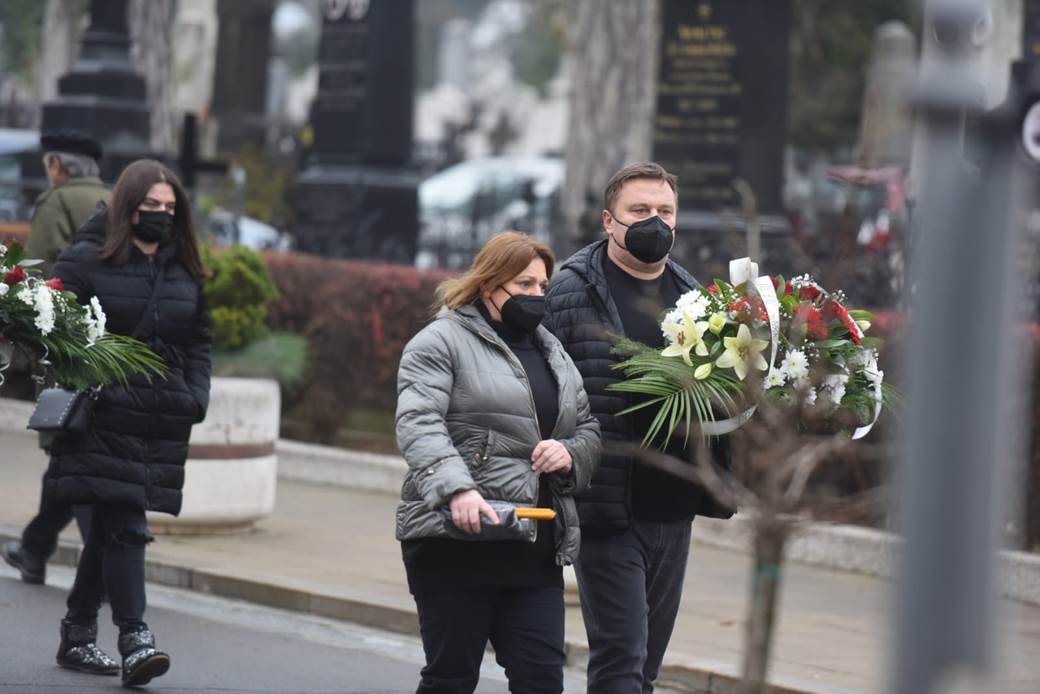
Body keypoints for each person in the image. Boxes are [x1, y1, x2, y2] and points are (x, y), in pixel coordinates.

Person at [543, 162, 734, 693]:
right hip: (604, 505)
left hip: (673, 508)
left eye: (665, 211)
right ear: (609, 220)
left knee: (645, 666)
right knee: (622, 658)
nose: (655, 222)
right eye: (640, 211)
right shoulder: (570, 291)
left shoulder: (702, 302)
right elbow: (538, 387)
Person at [395, 230, 600, 694]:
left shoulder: (554, 353)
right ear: (489, 285)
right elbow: (418, 423)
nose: (536, 295)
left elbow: (587, 430)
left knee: (543, 681)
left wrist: (569, 453)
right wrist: (457, 489)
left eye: (542, 286)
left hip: (533, 545)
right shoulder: (439, 342)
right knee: (451, 679)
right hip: (456, 542)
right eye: (524, 284)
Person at [43, 159, 211, 687]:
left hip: (159, 421)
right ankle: (135, 638)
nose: (160, 216)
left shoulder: (183, 266)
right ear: (127, 207)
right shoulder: (88, 260)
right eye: (149, 207)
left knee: (112, 530)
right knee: (127, 523)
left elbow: (199, 340)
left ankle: (76, 634)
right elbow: (50, 325)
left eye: (169, 208)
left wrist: (196, 395)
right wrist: (93, 370)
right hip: (103, 416)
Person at [1, 129, 110, 585]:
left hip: (69, 348)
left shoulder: (56, 202)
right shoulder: (119, 200)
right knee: (73, 452)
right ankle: (35, 547)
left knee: (69, 452)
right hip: (111, 346)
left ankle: (100, 567)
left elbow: (39, 277)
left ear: (58, 167)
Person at [26, 129, 110, 274]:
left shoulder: (56, 199)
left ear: (56, 165)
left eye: (46, 166)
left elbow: (37, 263)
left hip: (70, 291)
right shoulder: (114, 197)